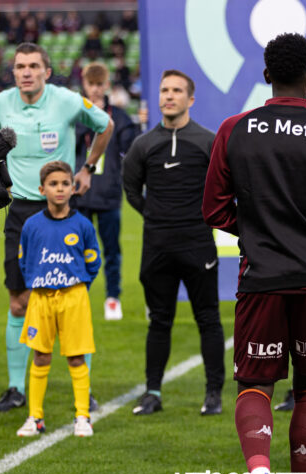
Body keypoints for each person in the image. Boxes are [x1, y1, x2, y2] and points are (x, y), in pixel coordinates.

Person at [203, 33, 306, 474]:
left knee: (255, 384)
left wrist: (253, 232)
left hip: (260, 278)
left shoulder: (234, 129)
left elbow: (213, 207)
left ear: (266, 75)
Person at [0, 42, 113, 413]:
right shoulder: (0, 105)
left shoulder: (67, 100)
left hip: (62, 213)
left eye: (33, 66)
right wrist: (3, 178)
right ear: (13, 72)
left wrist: (87, 168)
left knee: (72, 299)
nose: (25, 72)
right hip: (21, 213)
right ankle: (15, 388)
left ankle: (84, 388)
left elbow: (105, 125)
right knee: (18, 302)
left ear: (47, 70)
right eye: (19, 66)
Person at [123, 69, 225, 416]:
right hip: (157, 248)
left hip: (198, 246)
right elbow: (131, 190)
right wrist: (155, 215)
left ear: (190, 99)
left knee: (208, 319)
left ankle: (214, 394)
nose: (169, 96)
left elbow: (224, 190)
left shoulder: (208, 142)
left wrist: (199, 221)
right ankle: (152, 392)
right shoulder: (143, 144)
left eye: (177, 90)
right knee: (159, 321)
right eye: (164, 89)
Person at [15, 161, 100, 438]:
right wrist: (36, 285)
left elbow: (93, 261)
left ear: (73, 188)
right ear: (42, 189)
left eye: (65, 183)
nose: (60, 189)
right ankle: (35, 417)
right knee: (40, 355)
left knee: (76, 357)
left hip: (74, 297)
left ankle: (82, 416)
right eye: (53, 184)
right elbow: (24, 259)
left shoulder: (83, 225)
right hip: (41, 298)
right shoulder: (32, 225)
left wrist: (78, 285)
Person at [75, 62, 140, 321]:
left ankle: (113, 298)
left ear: (107, 86)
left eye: (100, 85)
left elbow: (132, 149)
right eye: (91, 85)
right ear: (84, 85)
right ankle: (78, 296)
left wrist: (140, 125)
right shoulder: (75, 114)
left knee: (112, 249)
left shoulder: (120, 117)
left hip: (109, 192)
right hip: (78, 193)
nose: (95, 89)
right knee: (77, 249)